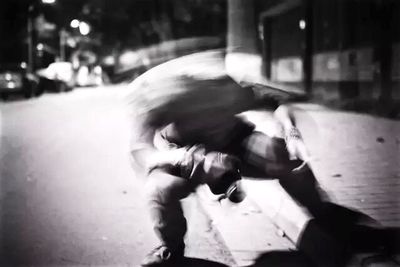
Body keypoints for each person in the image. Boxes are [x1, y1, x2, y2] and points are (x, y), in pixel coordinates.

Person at [127, 54, 315, 266]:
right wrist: (184, 158)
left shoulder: (228, 87)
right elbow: (140, 149)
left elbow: (279, 101)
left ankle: (320, 210)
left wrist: (292, 133)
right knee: (159, 188)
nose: (208, 104)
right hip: (184, 154)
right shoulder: (162, 95)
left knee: (282, 156)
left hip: (236, 143)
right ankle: (172, 247)